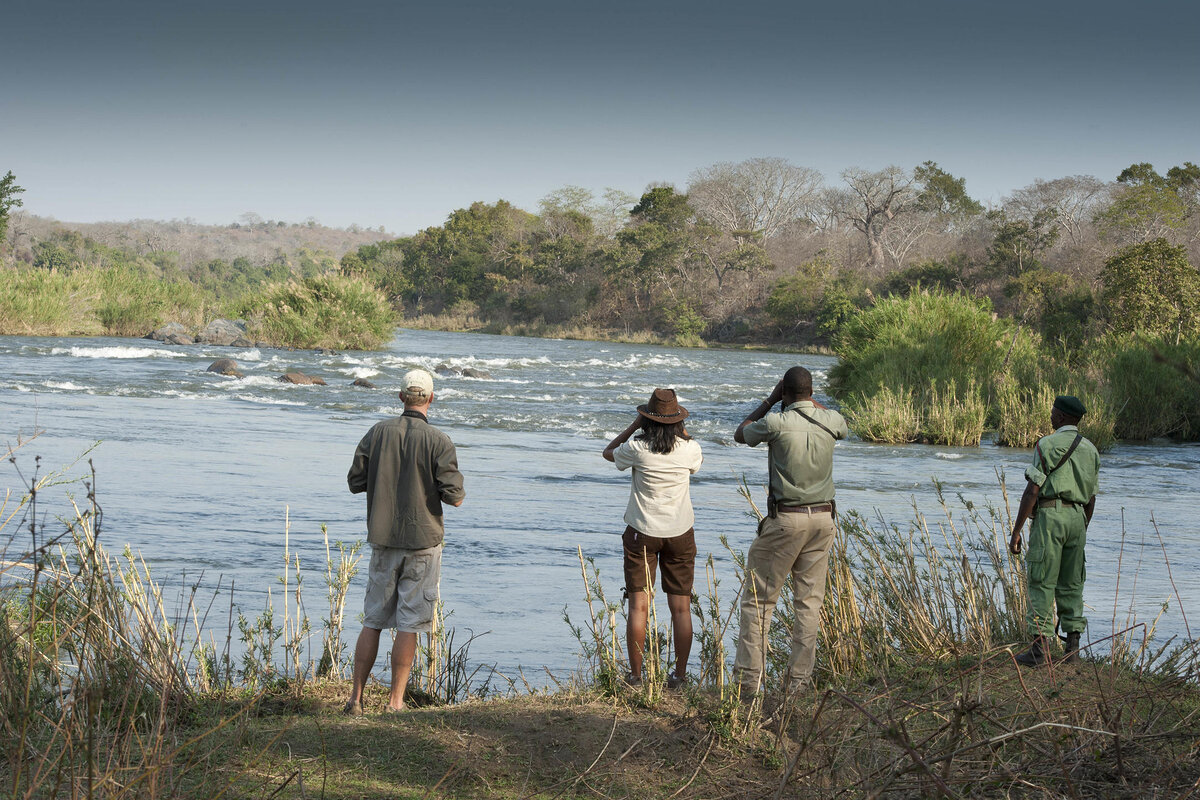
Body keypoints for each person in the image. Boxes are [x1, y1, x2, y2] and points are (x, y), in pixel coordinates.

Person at [343, 368, 465, 714]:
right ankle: (395, 703)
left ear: (400, 398)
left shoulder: (376, 433)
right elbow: (455, 497)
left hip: (383, 539)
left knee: (373, 620)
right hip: (423, 542)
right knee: (410, 624)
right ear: (430, 399)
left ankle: (355, 699)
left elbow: (355, 481)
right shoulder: (439, 440)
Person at [732, 366, 848, 699]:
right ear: (811, 392)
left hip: (786, 521)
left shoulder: (776, 422)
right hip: (823, 521)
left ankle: (748, 686)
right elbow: (841, 426)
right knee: (808, 605)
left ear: (784, 393)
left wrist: (770, 399)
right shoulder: (831, 420)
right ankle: (797, 686)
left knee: (758, 602)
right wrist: (809, 401)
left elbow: (742, 433)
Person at [603, 388, 703, 688]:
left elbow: (608, 452)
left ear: (647, 420)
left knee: (638, 607)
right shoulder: (690, 449)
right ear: (677, 422)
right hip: (680, 533)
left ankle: (635, 677)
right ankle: (680, 677)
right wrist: (679, 427)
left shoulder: (637, 448)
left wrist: (635, 425)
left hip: (642, 532)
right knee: (681, 608)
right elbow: (693, 460)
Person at [1008, 395, 1099, 667]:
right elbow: (1092, 497)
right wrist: (1082, 525)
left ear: (1060, 417)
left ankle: (1039, 651)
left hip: (1051, 515)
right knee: (1072, 582)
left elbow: (1032, 490)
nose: (1050, 416)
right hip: (1078, 518)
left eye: (1052, 412)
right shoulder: (1091, 450)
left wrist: (1016, 531)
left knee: (1041, 579)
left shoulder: (1046, 444)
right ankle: (1072, 650)